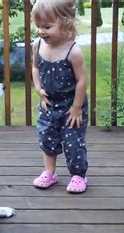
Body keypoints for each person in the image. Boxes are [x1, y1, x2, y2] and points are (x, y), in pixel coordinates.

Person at [31, 0, 89, 193]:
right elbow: (35, 68)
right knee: (47, 138)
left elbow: (81, 80)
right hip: (48, 104)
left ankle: (78, 175)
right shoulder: (38, 45)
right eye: (38, 26)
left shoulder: (73, 51)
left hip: (71, 106)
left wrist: (76, 107)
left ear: (65, 23)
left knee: (73, 141)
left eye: (47, 26)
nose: (41, 31)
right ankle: (50, 172)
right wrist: (39, 89)